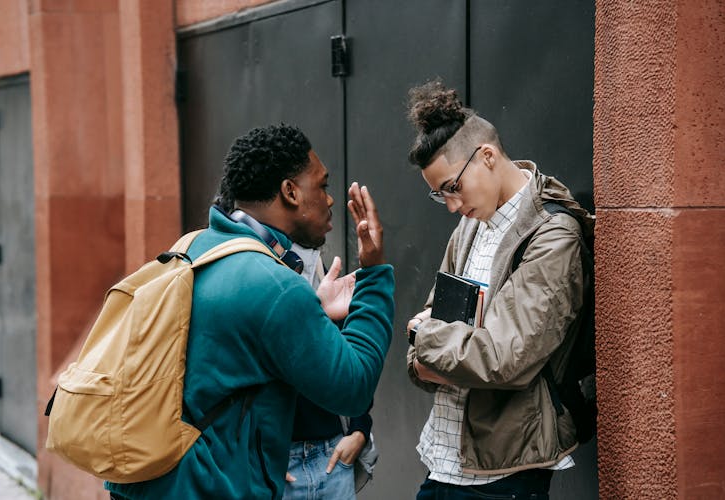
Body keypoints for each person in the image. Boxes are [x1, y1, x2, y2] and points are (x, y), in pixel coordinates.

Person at [105, 124, 394, 499]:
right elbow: (352, 388)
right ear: (290, 192)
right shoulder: (274, 285)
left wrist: (314, 309)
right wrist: (373, 276)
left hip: (155, 482)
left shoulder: (196, 247)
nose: (330, 200)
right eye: (321, 186)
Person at [404, 81, 594, 499]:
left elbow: (506, 357)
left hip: (503, 474)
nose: (451, 205)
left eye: (452, 187)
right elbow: (431, 341)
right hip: (443, 458)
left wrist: (424, 338)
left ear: (486, 156)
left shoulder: (552, 235)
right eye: (440, 196)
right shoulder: (471, 225)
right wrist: (428, 347)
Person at [283, 243, 378, 500]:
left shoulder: (319, 270)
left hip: (334, 451)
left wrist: (359, 429)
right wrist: (258, 452)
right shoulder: (255, 272)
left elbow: (352, 357)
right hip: (279, 463)